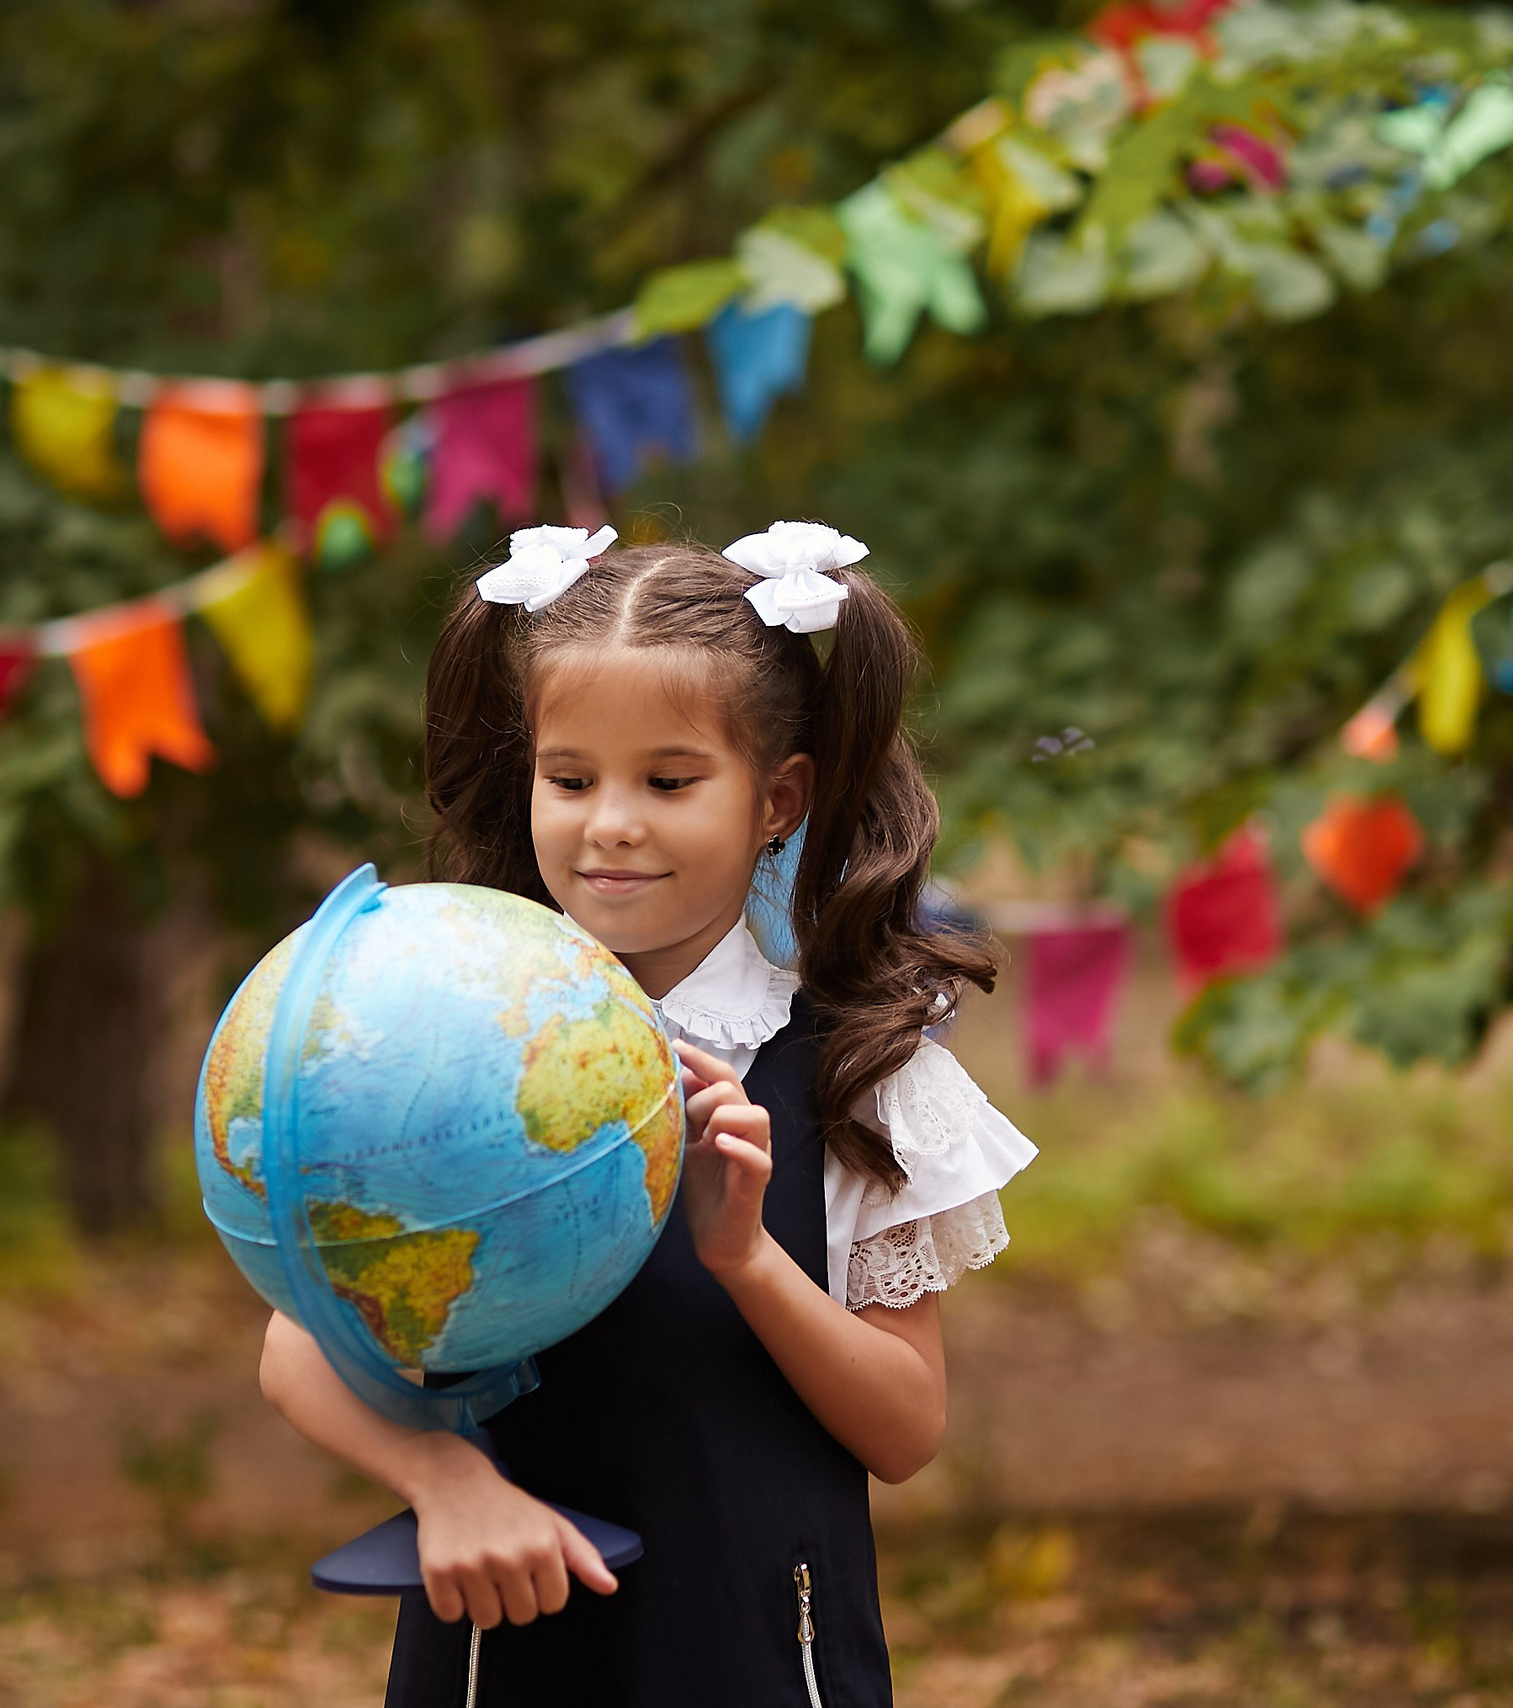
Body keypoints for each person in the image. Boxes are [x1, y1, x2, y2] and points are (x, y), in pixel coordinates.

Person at [258, 520, 1038, 1707]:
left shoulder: (858, 1074)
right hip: (495, 1657)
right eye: (569, 779)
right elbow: (299, 1344)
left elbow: (904, 1428)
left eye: (667, 781)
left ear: (778, 797)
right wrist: (443, 1481)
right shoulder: (445, 1040)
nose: (608, 821)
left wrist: (747, 1257)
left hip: (763, 1662)